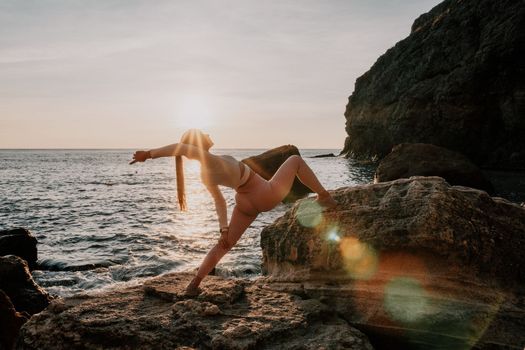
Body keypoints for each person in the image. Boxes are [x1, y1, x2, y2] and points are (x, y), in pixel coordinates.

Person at [130, 129, 337, 295]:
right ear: (198, 144)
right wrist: (148, 154)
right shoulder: (208, 159)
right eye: (204, 133)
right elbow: (181, 147)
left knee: (224, 245)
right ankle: (324, 196)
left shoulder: (205, 173)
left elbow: (220, 201)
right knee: (295, 161)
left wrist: (224, 229)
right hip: (263, 193)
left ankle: (194, 284)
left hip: (244, 203)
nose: (208, 134)